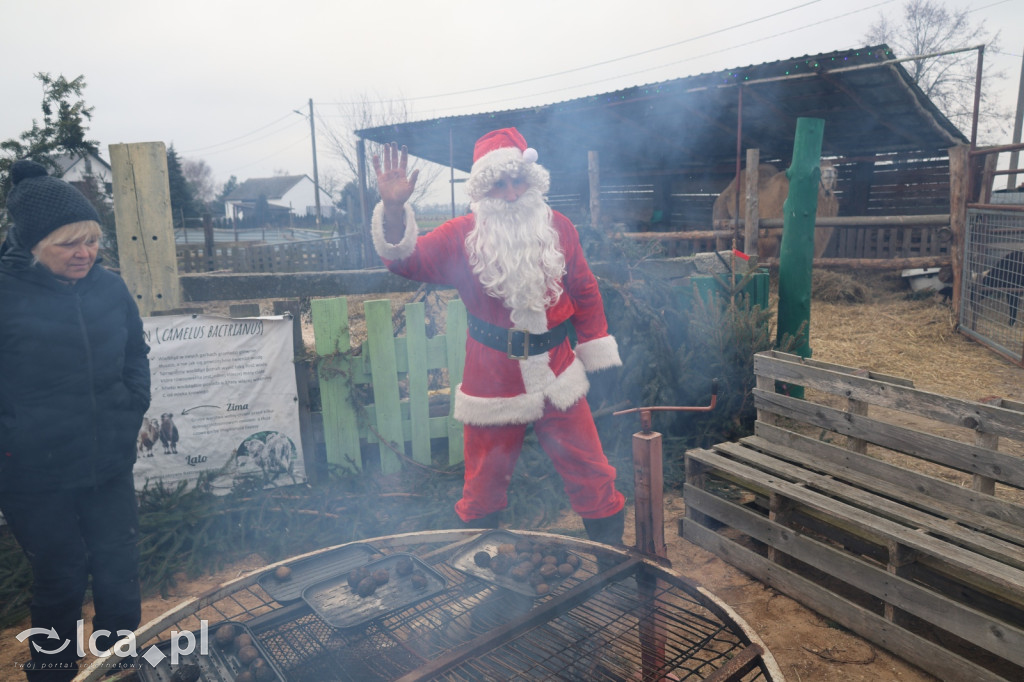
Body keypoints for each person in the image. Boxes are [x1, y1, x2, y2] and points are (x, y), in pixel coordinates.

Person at [372, 128, 626, 545]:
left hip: (559, 371)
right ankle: (482, 569)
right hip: (492, 379)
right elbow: (407, 260)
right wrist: (394, 209)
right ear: (482, 189)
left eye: (518, 181)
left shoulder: (558, 227)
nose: (510, 194)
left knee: (592, 472)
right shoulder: (460, 235)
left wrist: (594, 346)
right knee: (483, 487)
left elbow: (584, 289)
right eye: (499, 184)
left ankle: (611, 565)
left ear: (532, 181)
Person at [0, 160, 151, 681]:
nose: (84, 253)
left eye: (90, 241)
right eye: (69, 244)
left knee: (117, 570)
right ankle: (53, 672)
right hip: (32, 473)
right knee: (60, 577)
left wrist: (132, 406)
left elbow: (136, 352)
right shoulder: (5, 294)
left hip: (107, 460)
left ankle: (119, 666)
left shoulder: (108, 288)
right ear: (36, 243)